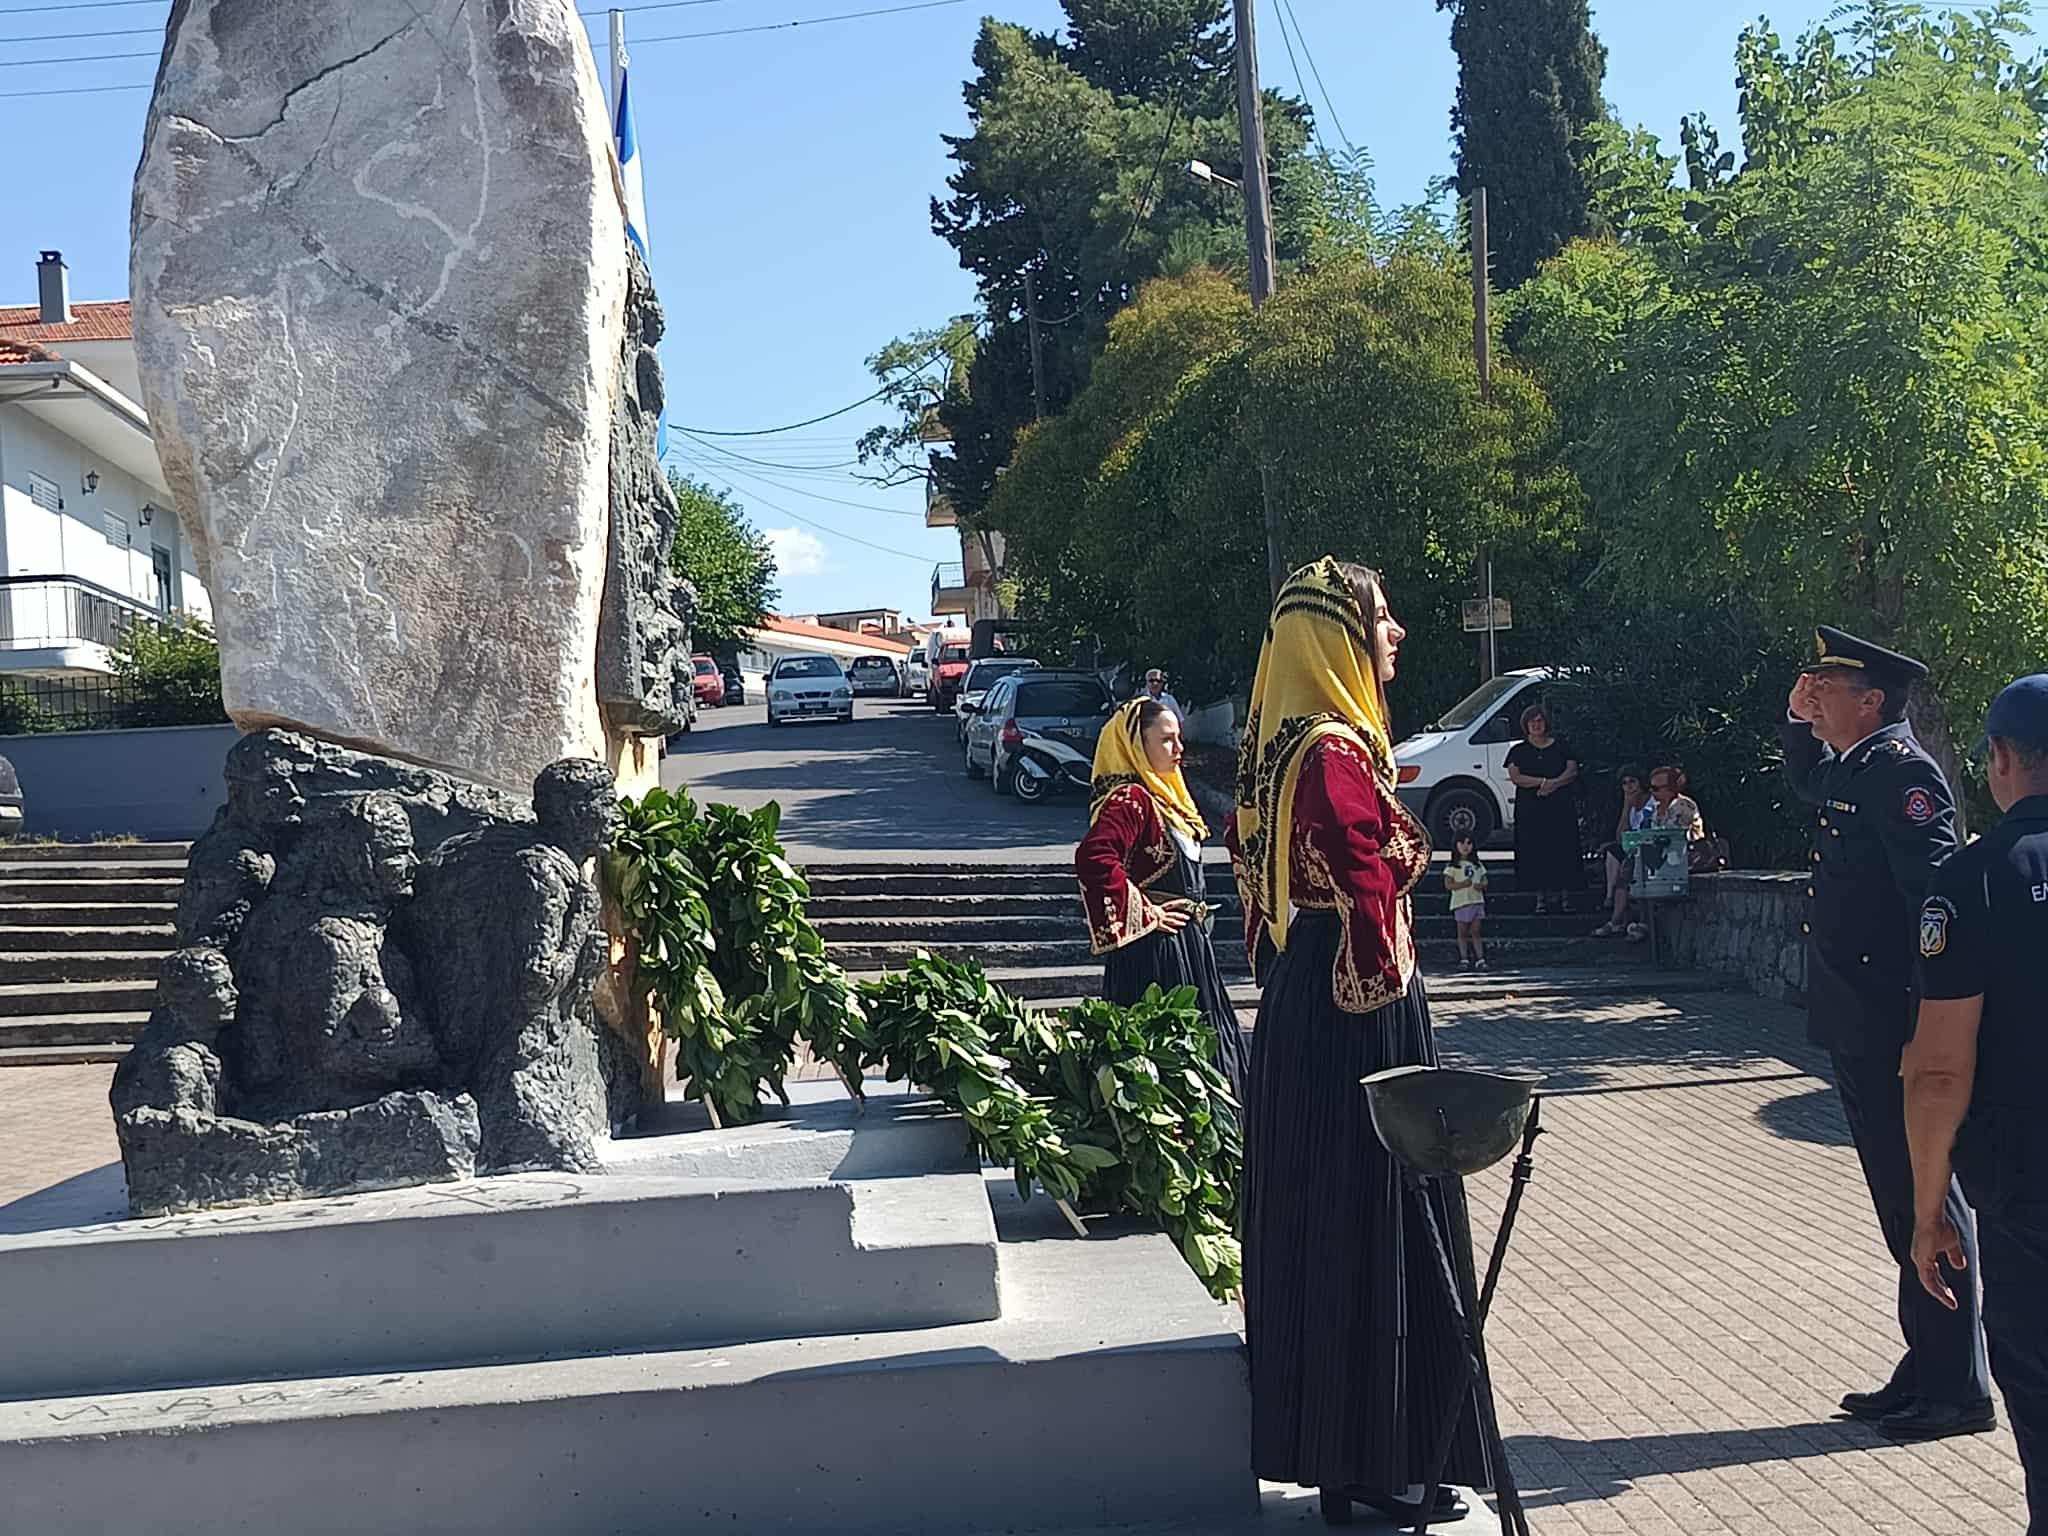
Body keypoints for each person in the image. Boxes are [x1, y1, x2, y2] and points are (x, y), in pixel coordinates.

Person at [1230, 557, 1488, 1525]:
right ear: (1337, 636)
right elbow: (1363, 873)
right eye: (1382, 618)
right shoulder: (1334, 750)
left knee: (1325, 1214)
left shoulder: (1280, 745)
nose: (1397, 633)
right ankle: (1380, 1459)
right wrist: (1394, 980)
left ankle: (1345, 1458)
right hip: (1357, 1007)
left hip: (1308, 1000)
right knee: (1374, 1210)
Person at [1780, 625, 1990, 1439]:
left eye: (1827, 688)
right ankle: (1929, 1357)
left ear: (1871, 700)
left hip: (1893, 1025)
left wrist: (1924, 1026)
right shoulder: (1856, 766)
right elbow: (1810, 784)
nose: (1814, 695)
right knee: (1900, 1202)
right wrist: (1796, 719)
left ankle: (1958, 1386)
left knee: (1928, 1195)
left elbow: (1932, 908)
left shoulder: (1903, 773)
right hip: (1858, 1019)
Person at [1905, 674, 2048, 1527]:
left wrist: (1930, 1212)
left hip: (2028, 1192)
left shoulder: (1974, 880)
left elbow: (1938, 1072)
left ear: (1999, 758)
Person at [1074, 698, 1249, 1104]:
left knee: (1205, 1046)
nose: (1178, 748)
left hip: (1191, 946)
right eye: (1166, 740)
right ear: (1138, 745)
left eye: (1179, 738)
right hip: (1156, 954)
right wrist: (1144, 913)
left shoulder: (1170, 797)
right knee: (1166, 1054)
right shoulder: (1131, 800)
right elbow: (1094, 858)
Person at [1504, 704, 1580, 914]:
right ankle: (1540, 898)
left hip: (1560, 807)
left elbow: (1572, 770)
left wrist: (1554, 784)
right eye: (1532, 721)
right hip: (1531, 809)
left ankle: (1566, 896)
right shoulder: (1518, 750)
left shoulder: (1561, 746)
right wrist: (1543, 782)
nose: (1536, 725)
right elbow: (1516, 776)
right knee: (1535, 850)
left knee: (1563, 848)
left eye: (1540, 721)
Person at [1624, 765, 1708, 943]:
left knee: (1640, 866)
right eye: (1651, 788)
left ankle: (1642, 922)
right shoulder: (1657, 808)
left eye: (1656, 788)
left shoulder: (1683, 806)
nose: (1652, 792)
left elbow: (1674, 836)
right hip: (1667, 856)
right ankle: (1641, 920)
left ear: (1671, 788)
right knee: (1634, 863)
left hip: (1687, 854)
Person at [1592, 766, 1655, 937]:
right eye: (1625, 783)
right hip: (1633, 851)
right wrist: (1626, 808)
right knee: (1614, 853)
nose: (1629, 787)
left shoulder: (1652, 804)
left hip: (1650, 852)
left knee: (1628, 871)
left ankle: (1616, 919)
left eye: (1632, 782)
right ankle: (1611, 898)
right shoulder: (1632, 808)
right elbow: (1621, 837)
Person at [1445, 830, 1489, 968]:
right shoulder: (1452, 866)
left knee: (1476, 931)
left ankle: (1480, 958)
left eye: (1469, 843)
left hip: (1476, 901)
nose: (1465, 846)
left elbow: (1485, 880)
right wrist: (1462, 885)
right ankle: (1464, 958)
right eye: (1462, 843)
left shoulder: (1478, 865)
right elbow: (1448, 884)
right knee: (1462, 932)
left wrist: (1481, 885)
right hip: (1461, 903)